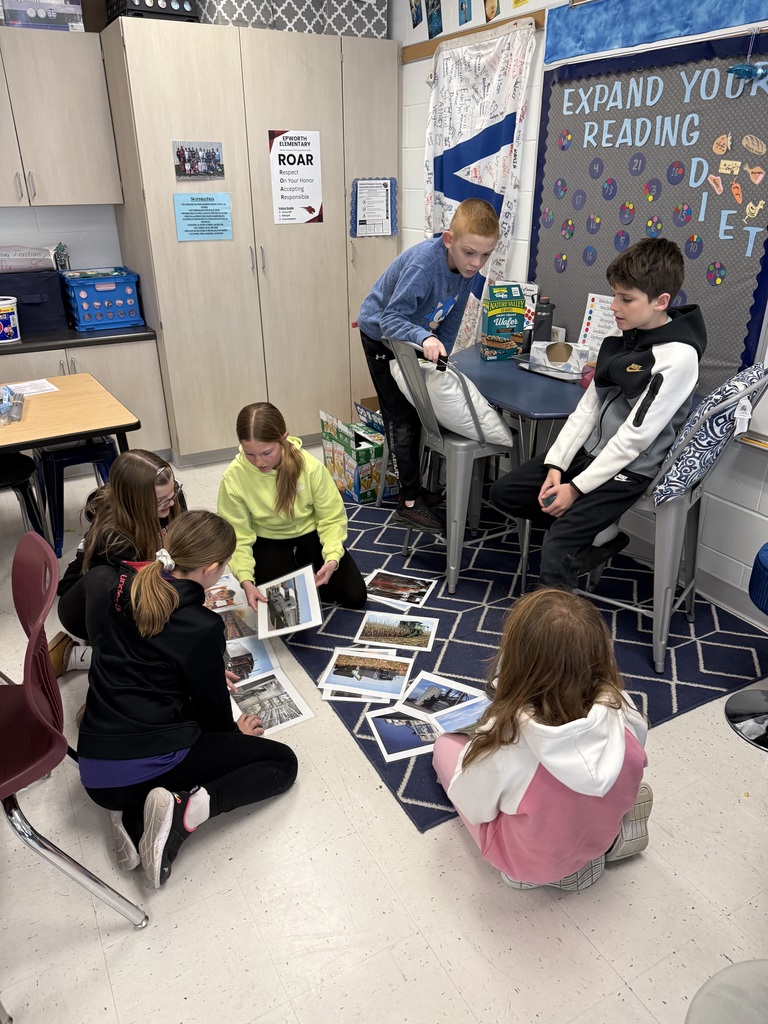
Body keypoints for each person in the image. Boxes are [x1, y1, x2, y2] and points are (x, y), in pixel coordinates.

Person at [77, 510, 298, 889]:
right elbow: (213, 716)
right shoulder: (201, 625)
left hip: (95, 769)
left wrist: (203, 670)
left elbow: (143, 659)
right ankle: (187, 811)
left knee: (173, 730)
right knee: (282, 764)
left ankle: (133, 817)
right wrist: (234, 735)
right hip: (139, 763)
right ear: (212, 569)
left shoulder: (129, 584)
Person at [489, 237, 707, 589]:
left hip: (630, 468)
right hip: (590, 455)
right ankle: (597, 536)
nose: (614, 307)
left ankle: (557, 636)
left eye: (626, 299)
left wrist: (575, 490)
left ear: (660, 301)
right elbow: (588, 408)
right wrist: (557, 467)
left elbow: (634, 439)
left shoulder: (678, 357)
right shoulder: (626, 336)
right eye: (614, 295)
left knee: (556, 548)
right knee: (505, 493)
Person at [433, 589, 653, 891]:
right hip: (596, 831)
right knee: (587, 799)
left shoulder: (505, 742)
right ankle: (608, 841)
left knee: (445, 748)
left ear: (514, 661)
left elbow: (474, 808)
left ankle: (539, 873)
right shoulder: (625, 711)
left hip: (529, 863)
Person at [358, 198, 500, 532]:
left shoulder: (467, 270)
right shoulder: (425, 265)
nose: (476, 263)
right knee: (401, 415)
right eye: (469, 253)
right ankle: (408, 501)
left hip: (412, 335)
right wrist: (424, 338)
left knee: (422, 410)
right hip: (381, 334)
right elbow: (390, 319)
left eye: (485, 255)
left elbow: (450, 321)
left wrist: (443, 359)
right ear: (449, 240)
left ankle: (416, 487)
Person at [217, 402, 367, 613]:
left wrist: (332, 558)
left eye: (266, 452)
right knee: (282, 611)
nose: (259, 462)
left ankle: (304, 563)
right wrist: (245, 580)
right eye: (250, 454)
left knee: (355, 596)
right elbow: (237, 535)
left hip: (309, 532)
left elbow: (332, 517)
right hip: (267, 539)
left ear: (283, 438)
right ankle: (295, 568)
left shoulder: (310, 467)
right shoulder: (233, 477)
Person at [49, 449, 183, 676]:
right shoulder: (114, 541)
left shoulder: (168, 499)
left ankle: (81, 656)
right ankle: (85, 659)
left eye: (173, 493)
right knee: (156, 650)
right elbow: (141, 598)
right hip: (85, 606)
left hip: (129, 587)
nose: (171, 503)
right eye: (161, 500)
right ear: (134, 503)